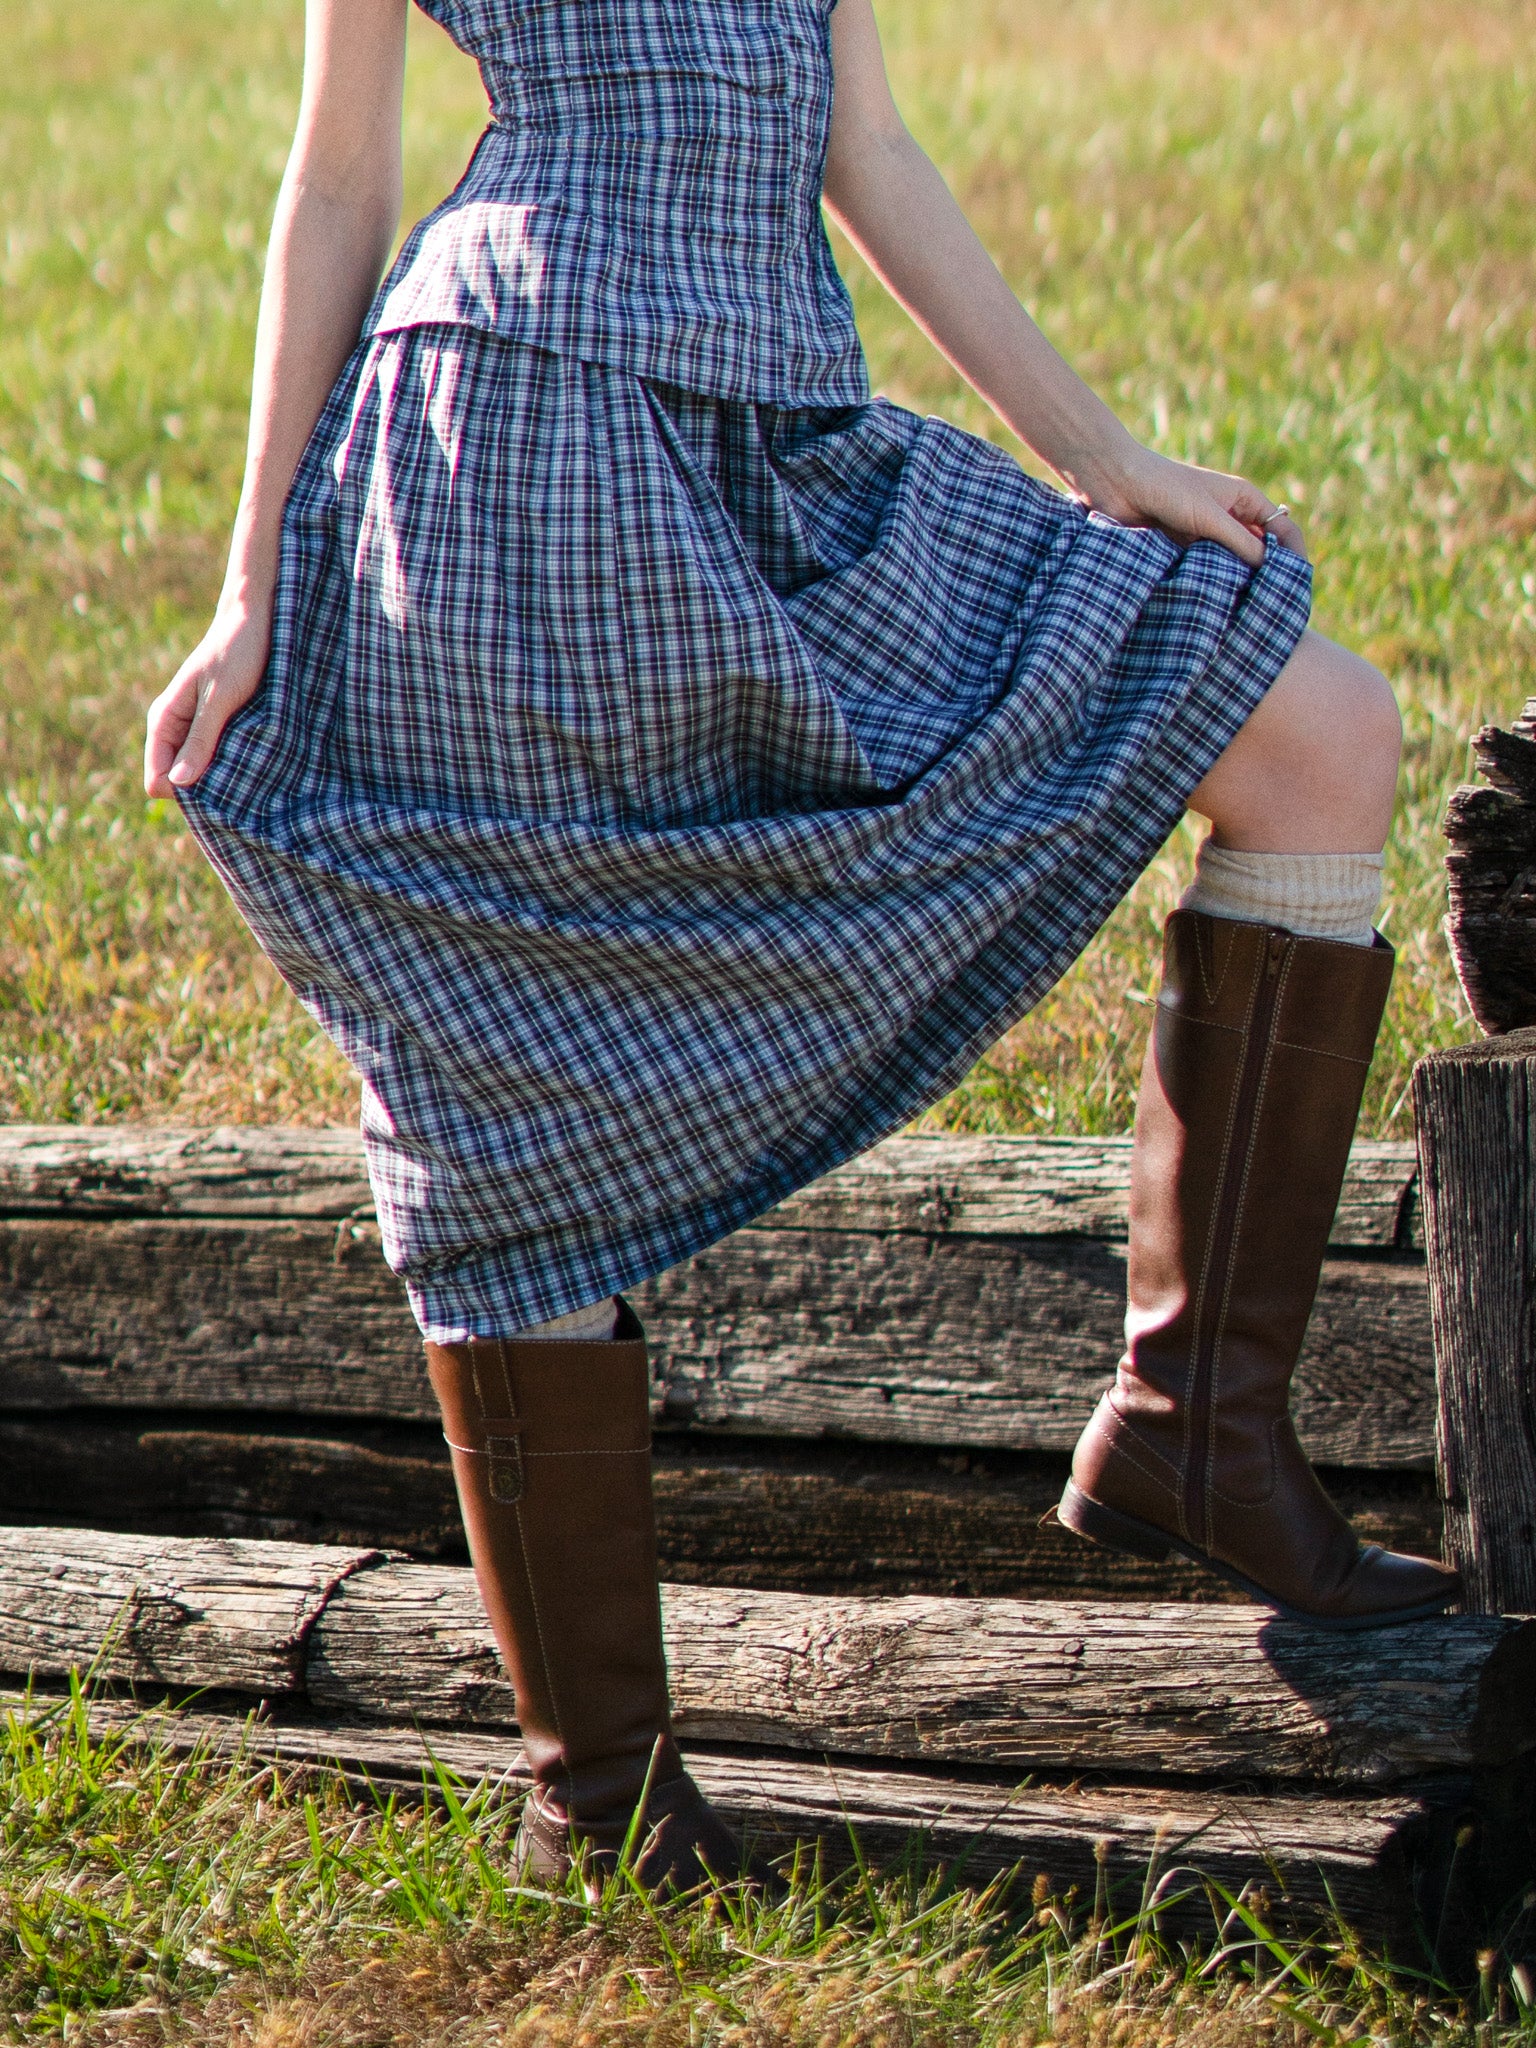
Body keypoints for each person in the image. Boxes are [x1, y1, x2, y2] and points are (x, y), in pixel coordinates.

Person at [145, 0, 1457, 1890]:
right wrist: (256, 576)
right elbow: (337, 172)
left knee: (1320, 731)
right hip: (521, 450)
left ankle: (1198, 1425)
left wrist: (1108, 461)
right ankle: (601, 1798)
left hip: (788, 449)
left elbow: (871, 148)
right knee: (512, 1065)